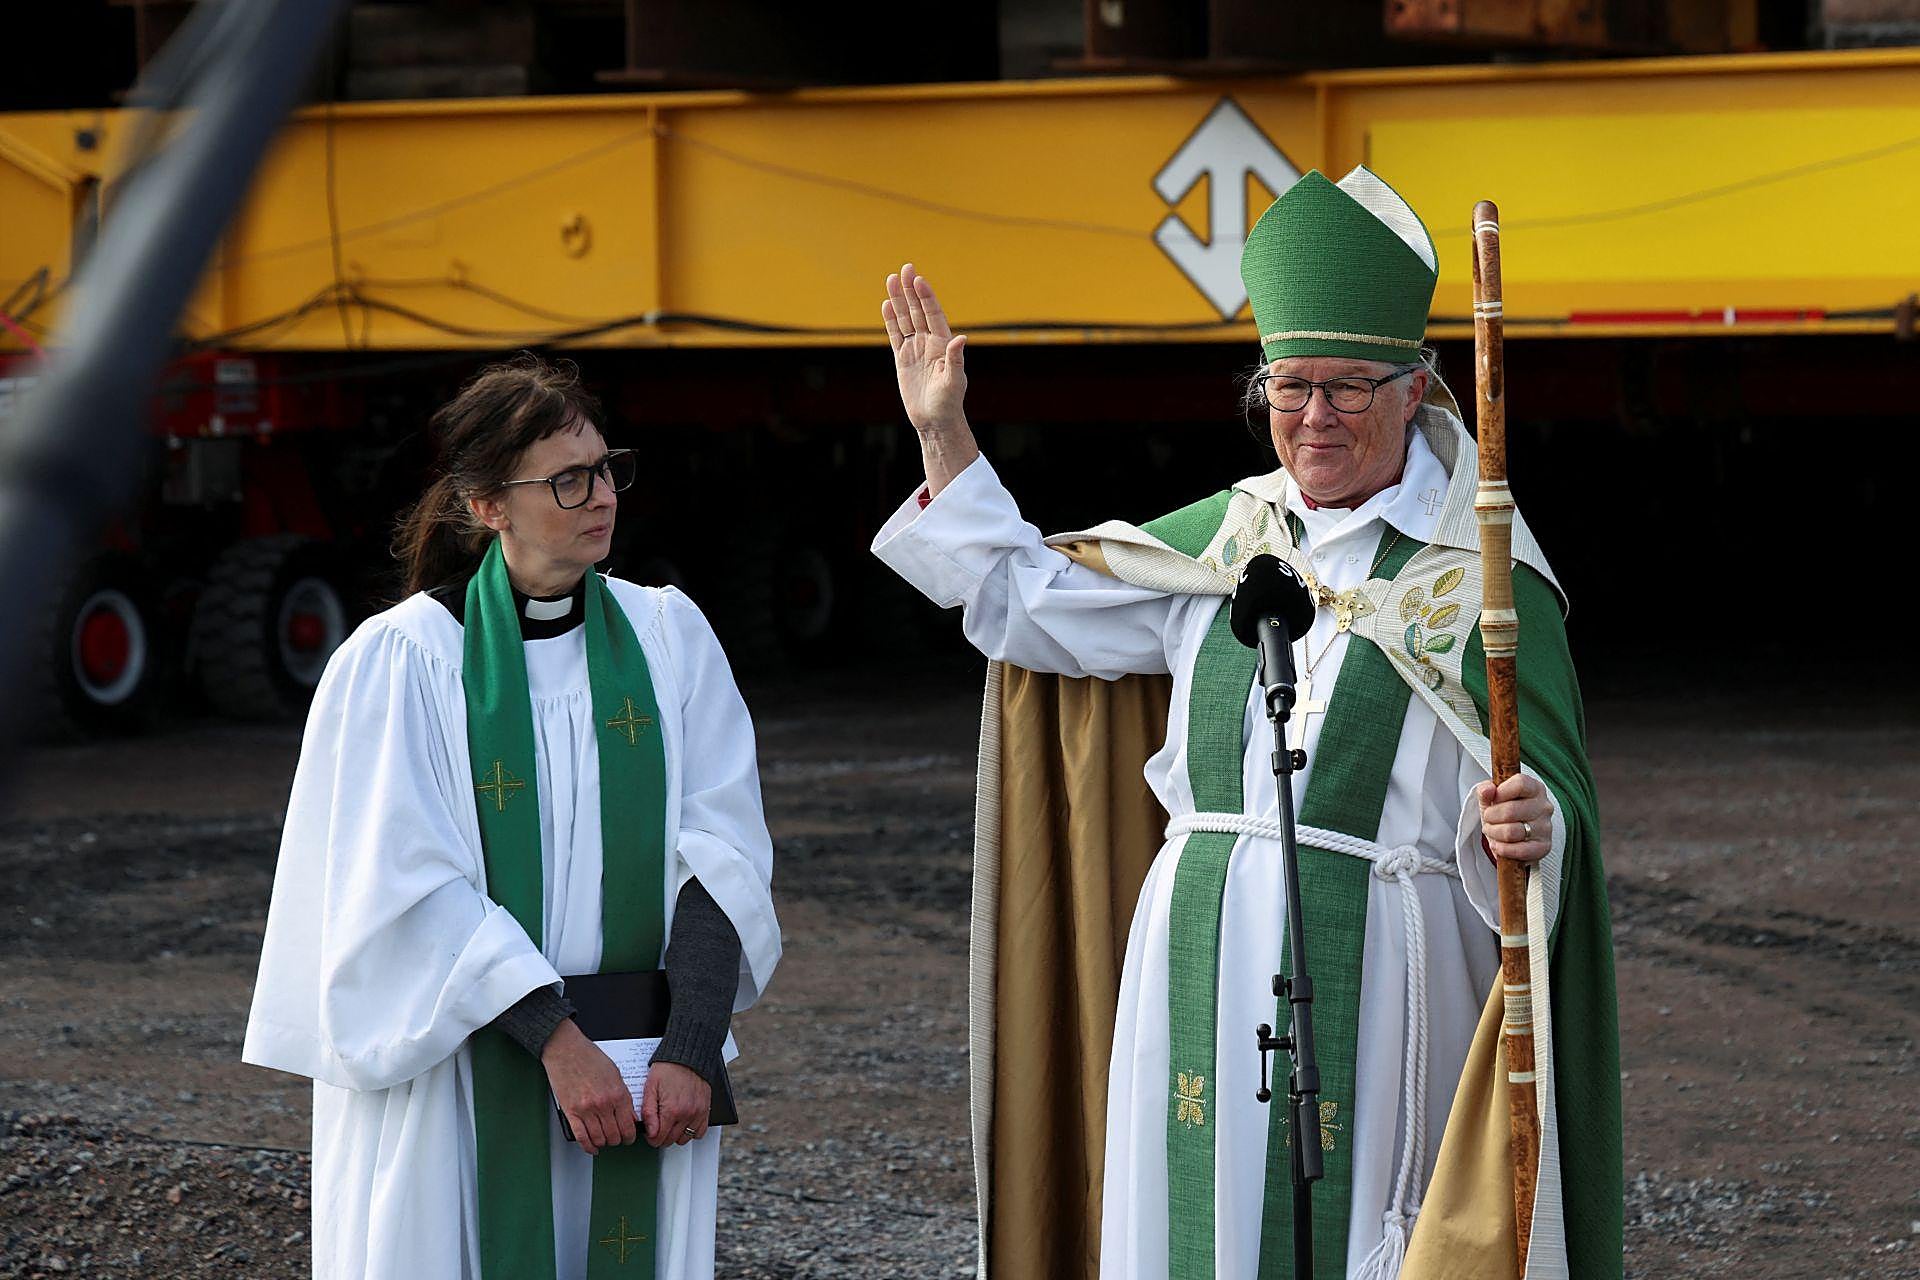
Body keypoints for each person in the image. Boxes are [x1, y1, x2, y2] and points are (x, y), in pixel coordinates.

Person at [872, 168, 1618, 1280]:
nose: (1313, 415)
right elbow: (1028, 605)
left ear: (1417, 390)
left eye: (1347, 389)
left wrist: (1528, 824)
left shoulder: (1484, 576)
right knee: (1197, 1225)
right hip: (1200, 952)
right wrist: (945, 435)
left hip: (1387, 967)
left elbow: (1549, 804)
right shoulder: (1227, 537)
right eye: (1289, 384)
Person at [242, 354, 781, 1280]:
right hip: (465, 1074)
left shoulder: (670, 638)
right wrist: (558, 1045)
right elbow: (402, 892)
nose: (601, 495)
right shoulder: (403, 661)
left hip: (645, 1070)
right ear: (488, 505)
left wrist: (689, 1047)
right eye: (568, 479)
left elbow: (722, 856)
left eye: (606, 467)